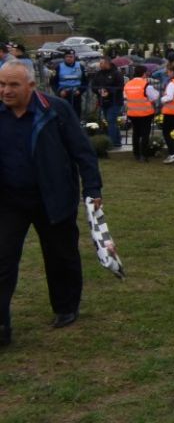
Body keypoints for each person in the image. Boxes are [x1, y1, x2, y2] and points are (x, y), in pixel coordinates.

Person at [0, 61, 105, 347]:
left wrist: (92, 188)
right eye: (2, 84)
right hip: (9, 200)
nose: (6, 91)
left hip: (53, 197)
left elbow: (83, 152)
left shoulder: (55, 110)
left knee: (61, 255)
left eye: (13, 85)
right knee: (3, 259)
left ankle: (66, 307)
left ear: (31, 86)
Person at [122, 65, 159, 162]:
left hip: (132, 112)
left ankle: (136, 153)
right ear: (143, 74)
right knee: (145, 134)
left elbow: (125, 97)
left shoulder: (128, 84)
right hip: (145, 112)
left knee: (136, 133)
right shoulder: (146, 85)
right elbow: (154, 96)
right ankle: (144, 155)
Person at [90, 55, 125, 149]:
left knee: (111, 120)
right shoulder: (98, 74)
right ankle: (117, 141)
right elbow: (93, 85)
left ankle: (111, 143)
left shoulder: (116, 74)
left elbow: (120, 87)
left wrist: (108, 91)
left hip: (114, 101)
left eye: (101, 63)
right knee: (110, 121)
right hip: (103, 101)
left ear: (107, 63)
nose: (100, 65)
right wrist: (98, 90)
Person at [49, 49, 87, 119]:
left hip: (76, 94)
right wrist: (59, 92)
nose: (68, 58)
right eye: (67, 56)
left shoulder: (80, 67)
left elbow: (85, 81)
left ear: (74, 57)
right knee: (64, 115)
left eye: (71, 57)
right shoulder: (58, 67)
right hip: (63, 95)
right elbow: (52, 82)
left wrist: (80, 91)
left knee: (76, 115)